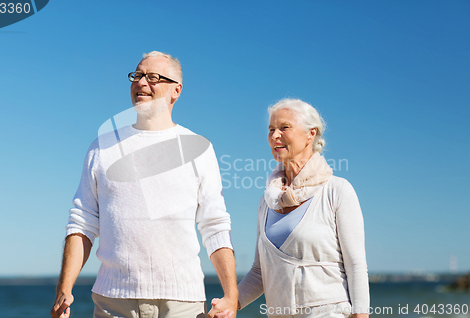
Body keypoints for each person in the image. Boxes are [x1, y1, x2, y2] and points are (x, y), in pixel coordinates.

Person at [51, 51, 238, 318]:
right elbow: (83, 222)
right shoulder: (102, 147)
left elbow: (215, 224)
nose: (141, 83)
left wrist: (231, 295)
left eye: (153, 77)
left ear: (176, 90)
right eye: (137, 76)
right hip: (112, 300)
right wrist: (64, 287)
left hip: (181, 301)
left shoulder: (199, 148)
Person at [213, 98, 369, 318]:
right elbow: (259, 273)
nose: (275, 135)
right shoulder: (267, 201)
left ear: (310, 134)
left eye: (284, 127)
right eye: (271, 129)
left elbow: (356, 265)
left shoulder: (337, 190)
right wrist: (231, 302)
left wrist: (361, 315)